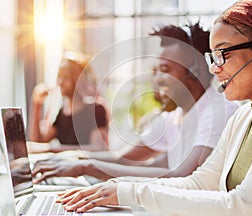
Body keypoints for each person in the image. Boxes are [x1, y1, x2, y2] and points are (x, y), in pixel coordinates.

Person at [55, 0, 252, 215]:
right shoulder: (245, 117)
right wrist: (120, 188)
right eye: (212, 57)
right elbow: (199, 183)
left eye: (222, 54)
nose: (215, 68)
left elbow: (240, 206)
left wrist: (130, 193)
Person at [32, 23, 238, 183]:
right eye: (155, 70)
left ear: (196, 73)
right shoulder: (175, 116)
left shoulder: (217, 111)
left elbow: (183, 178)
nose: (156, 79)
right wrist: (77, 161)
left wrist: (87, 168)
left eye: (165, 70)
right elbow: (128, 159)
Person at [28, 51, 110, 152]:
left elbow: (98, 149)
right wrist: (37, 105)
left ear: (79, 79)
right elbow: (38, 141)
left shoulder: (96, 110)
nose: (60, 82)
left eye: (66, 77)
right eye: (59, 76)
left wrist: (54, 150)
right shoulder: (62, 114)